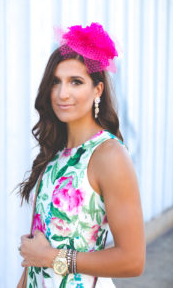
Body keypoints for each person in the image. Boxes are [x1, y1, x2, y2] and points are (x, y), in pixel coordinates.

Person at [16, 23, 145, 288]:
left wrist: (53, 257)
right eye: (56, 82)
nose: (63, 93)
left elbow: (133, 260)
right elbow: (34, 257)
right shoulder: (54, 153)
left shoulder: (109, 156)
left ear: (97, 90)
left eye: (76, 82)